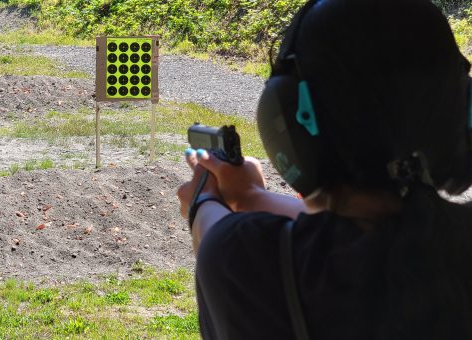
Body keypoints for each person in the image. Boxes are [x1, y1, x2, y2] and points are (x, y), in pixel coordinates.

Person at [176, 0, 472, 339]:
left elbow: (213, 232)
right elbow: (388, 226)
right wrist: (252, 195)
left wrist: (202, 199)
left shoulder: (247, 262)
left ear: (289, 120)